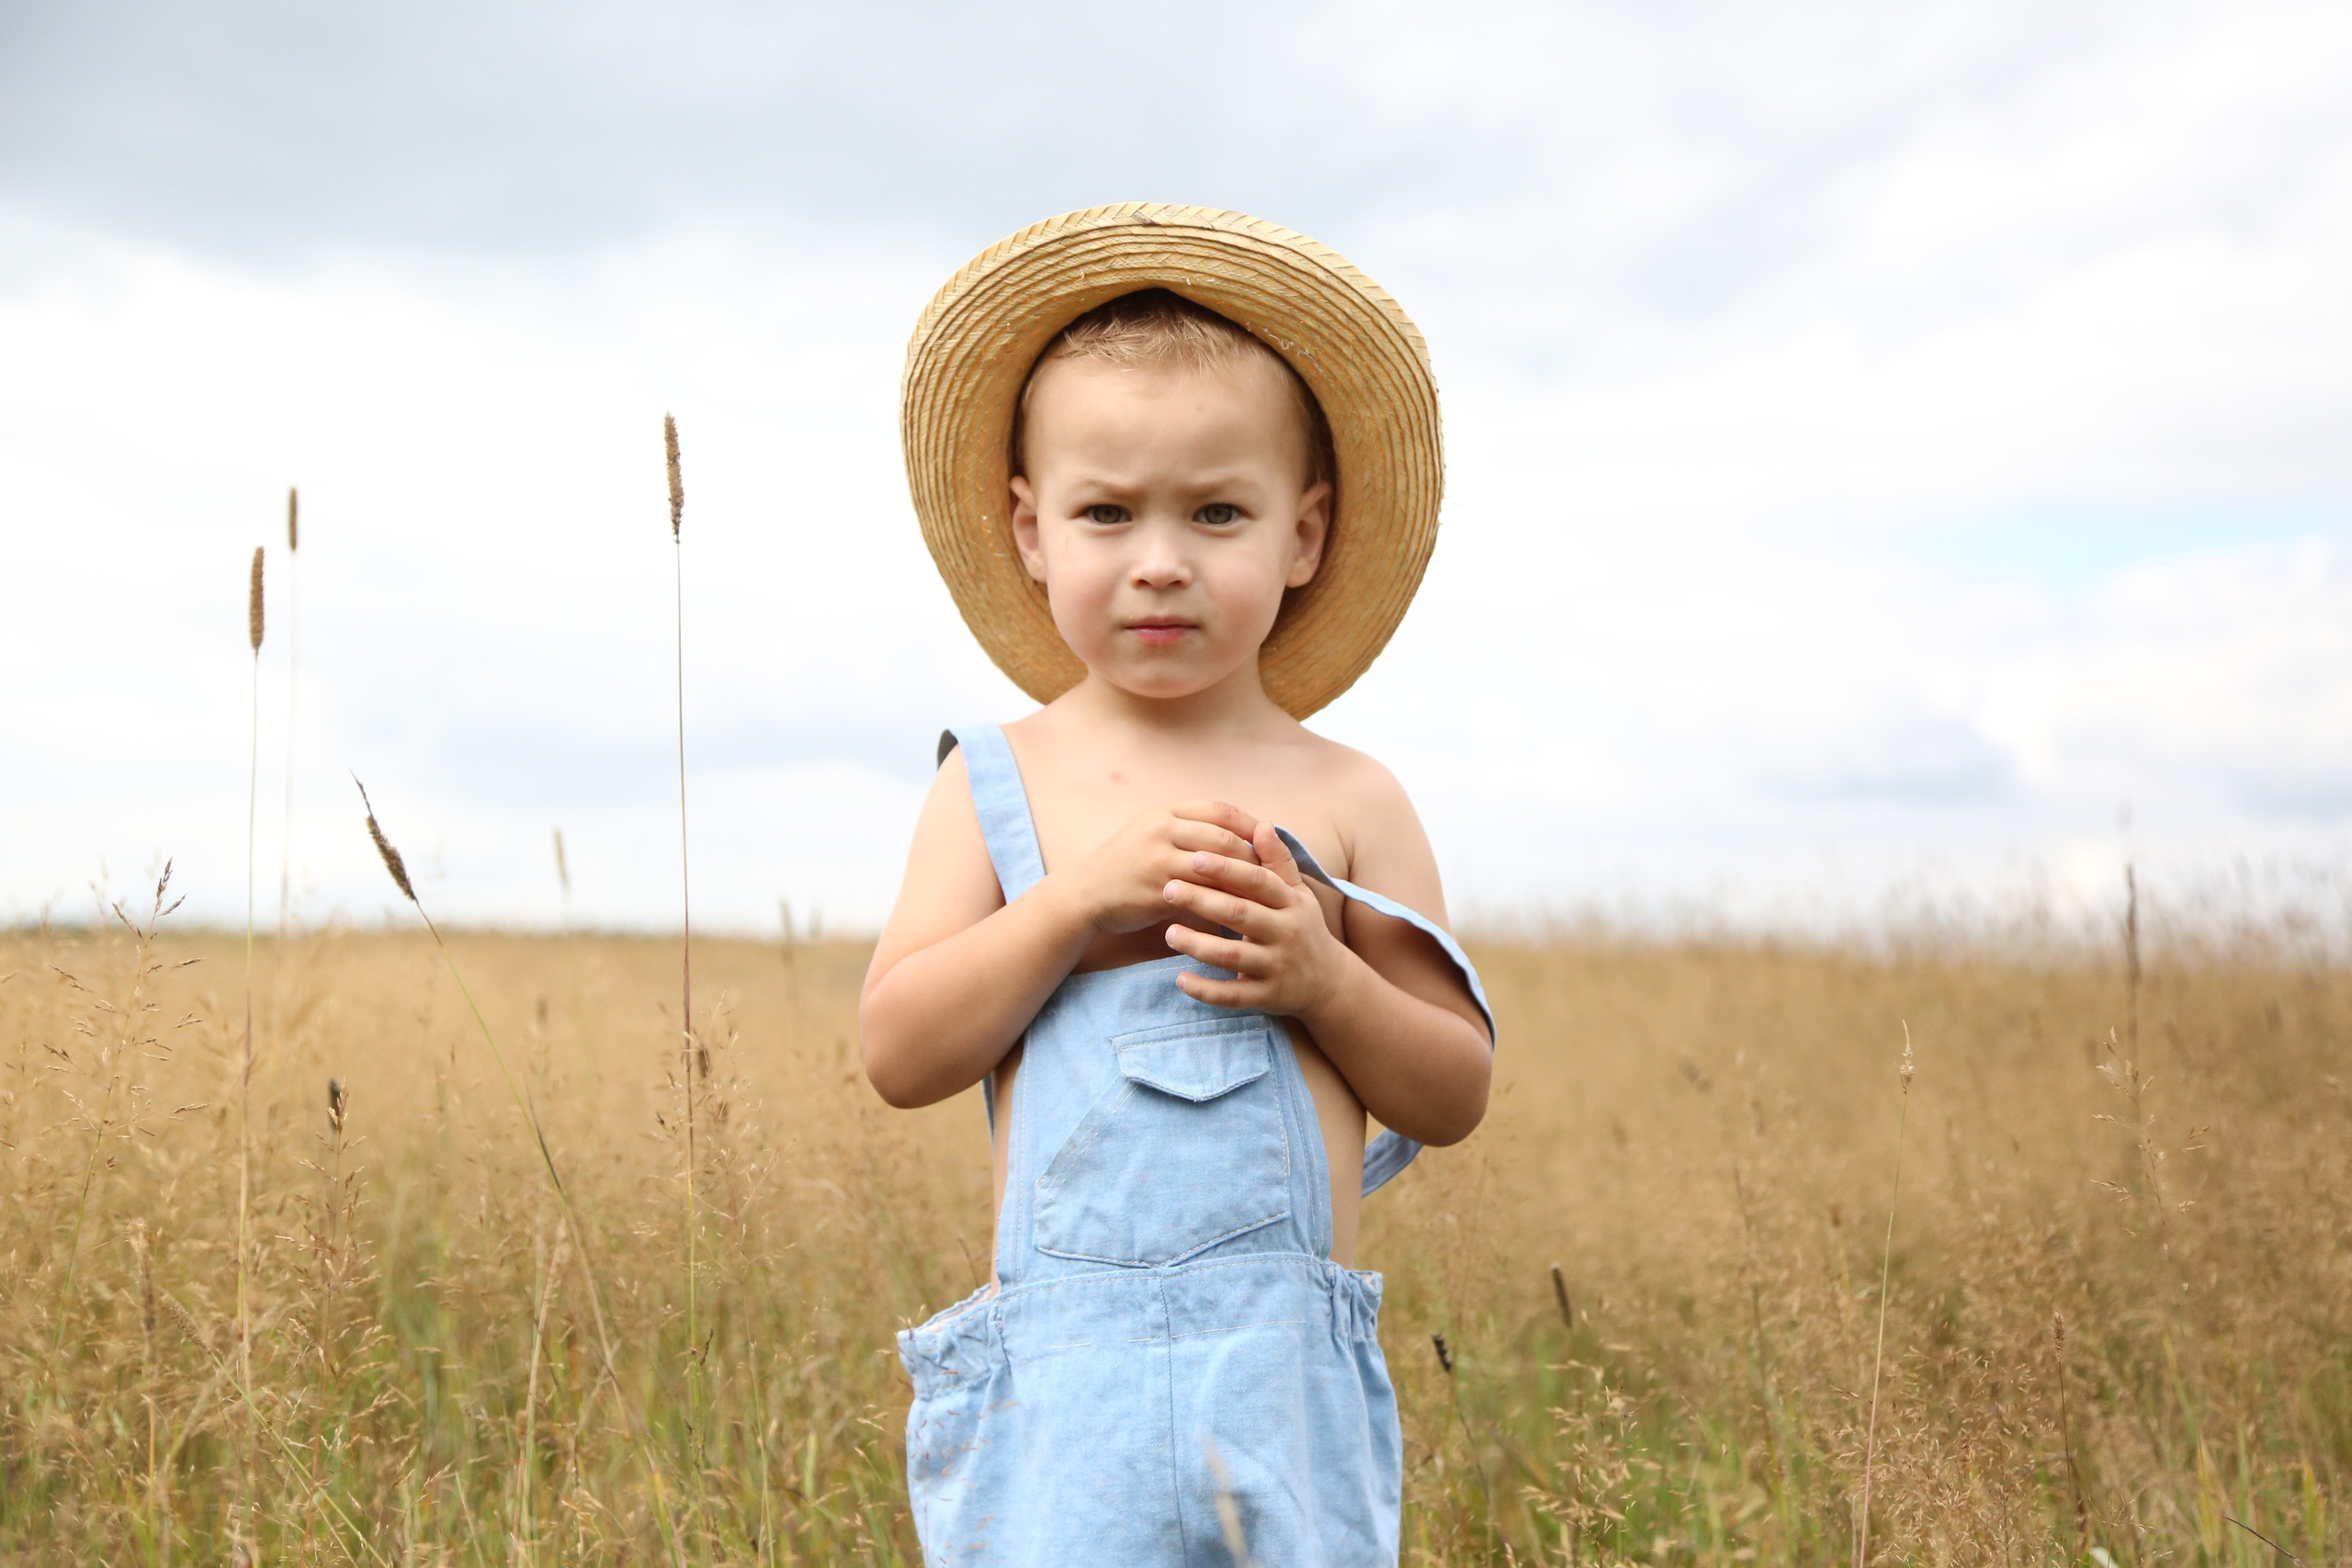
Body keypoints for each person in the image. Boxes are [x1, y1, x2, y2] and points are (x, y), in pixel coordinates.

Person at [861, 205, 1496, 1567]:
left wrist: (1324, 979)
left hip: (1281, 1381)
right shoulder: (994, 786)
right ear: (1031, 531)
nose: (1161, 559)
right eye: (1107, 512)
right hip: (1066, 1380)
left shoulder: (1349, 797)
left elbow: (1452, 1090)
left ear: (1305, 532)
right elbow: (900, 1051)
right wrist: (1074, 904)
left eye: (1217, 511)